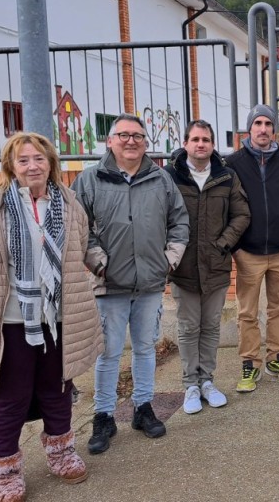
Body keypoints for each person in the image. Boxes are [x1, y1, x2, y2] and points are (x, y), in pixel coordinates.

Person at [0, 132, 102, 502]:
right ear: (11, 166)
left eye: (39, 159)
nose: (32, 166)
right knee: (9, 398)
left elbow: (80, 247)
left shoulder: (70, 206)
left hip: (58, 319)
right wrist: (2, 291)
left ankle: (61, 452)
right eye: (23, 160)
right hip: (9, 323)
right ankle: (4, 469)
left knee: (58, 390)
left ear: (51, 163)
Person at [72, 114, 189, 454]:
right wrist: (98, 263)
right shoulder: (90, 180)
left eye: (138, 136)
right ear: (110, 141)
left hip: (150, 284)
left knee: (144, 349)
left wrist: (169, 259)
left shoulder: (160, 179)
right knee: (107, 354)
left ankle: (142, 408)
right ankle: (104, 415)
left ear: (145, 143)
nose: (131, 141)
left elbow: (179, 222)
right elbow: (81, 228)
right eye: (123, 135)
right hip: (110, 286)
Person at [167, 120, 250, 414]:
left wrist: (223, 243)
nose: (200, 144)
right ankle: (190, 384)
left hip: (216, 265)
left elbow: (241, 214)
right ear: (186, 143)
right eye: (195, 139)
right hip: (183, 267)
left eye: (206, 139)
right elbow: (159, 216)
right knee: (190, 327)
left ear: (213, 144)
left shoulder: (226, 176)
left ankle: (207, 382)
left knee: (211, 326)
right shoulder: (169, 176)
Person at [225, 104, 279, 392]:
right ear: (250, 128)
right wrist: (235, 246)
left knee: (278, 308)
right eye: (257, 123)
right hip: (248, 252)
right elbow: (226, 207)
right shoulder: (233, 163)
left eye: (268, 123)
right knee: (246, 311)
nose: (263, 128)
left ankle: (276, 357)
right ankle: (250, 363)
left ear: (274, 129)